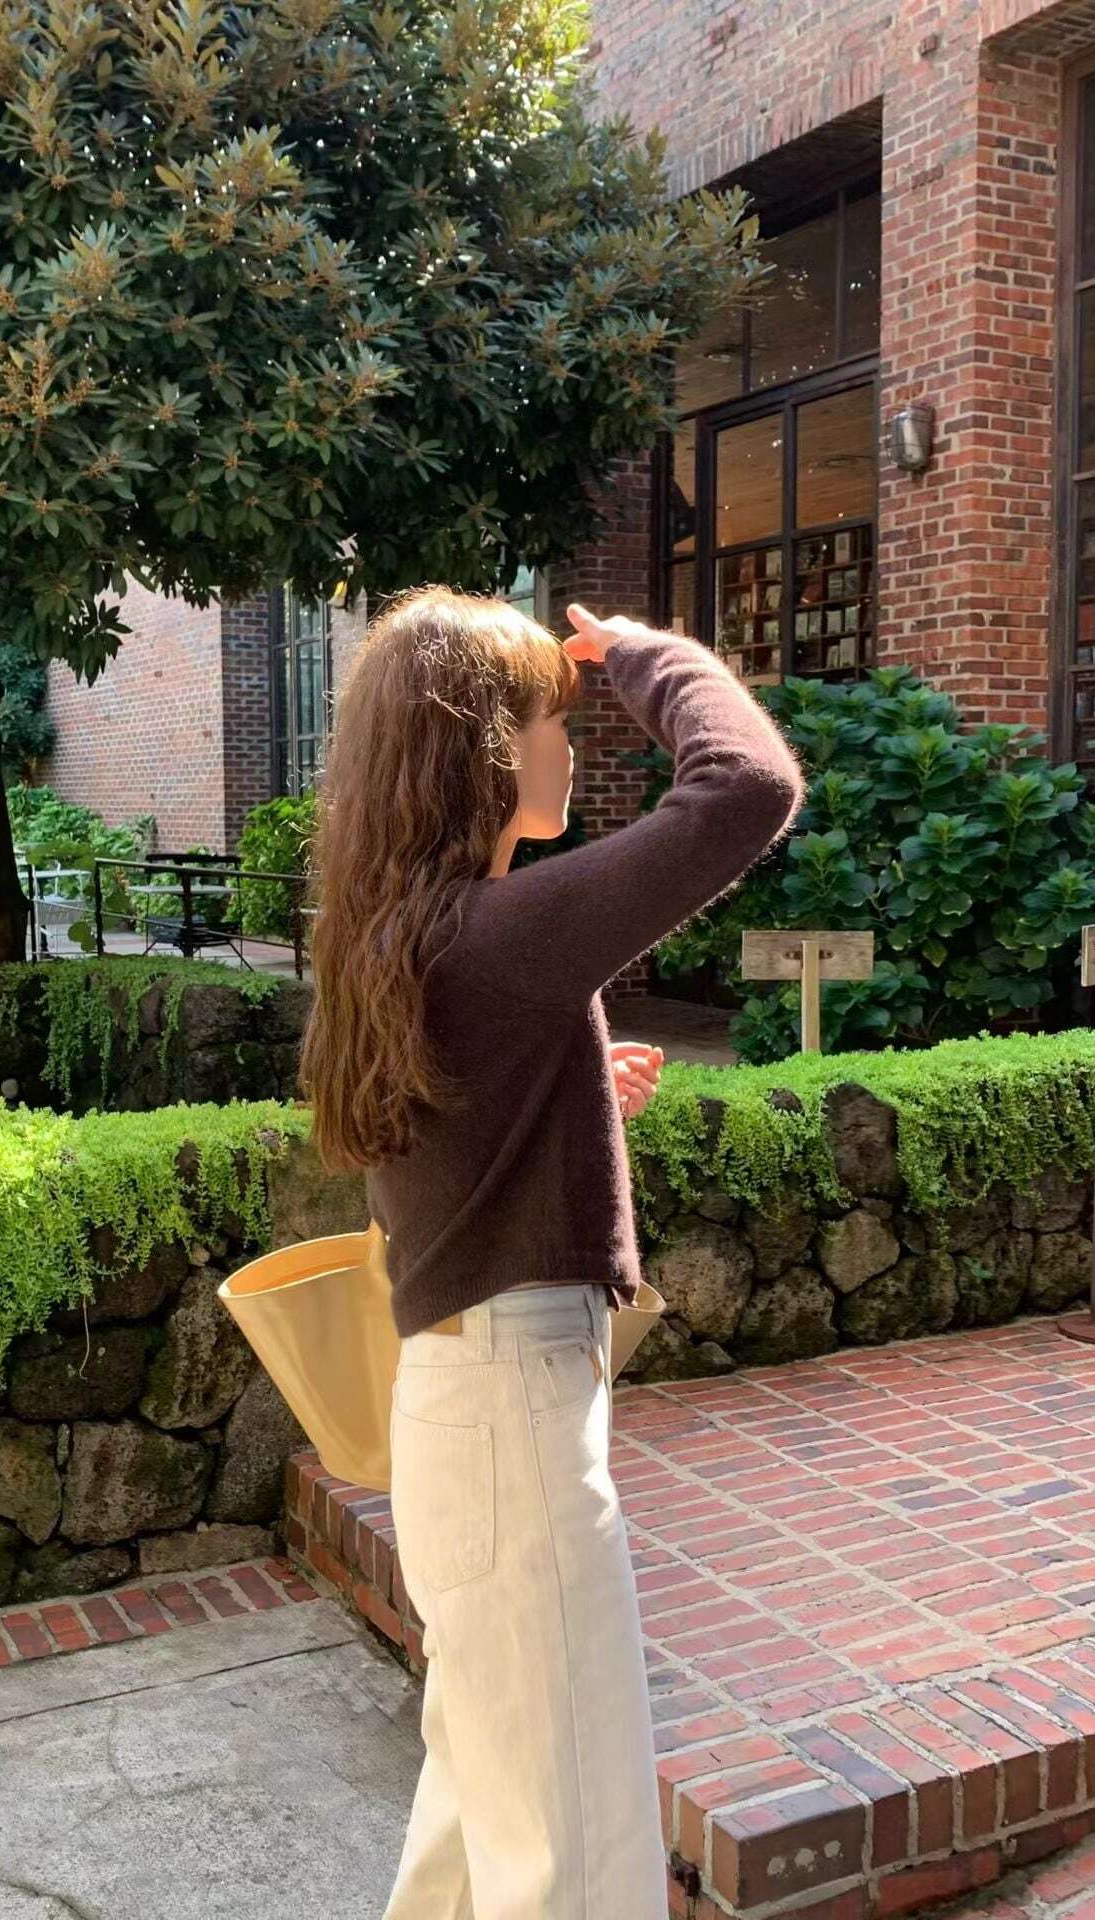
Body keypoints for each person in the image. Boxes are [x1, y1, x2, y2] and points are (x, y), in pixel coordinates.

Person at [299, 589, 803, 1919]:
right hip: (512, 1421)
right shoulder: (498, 937)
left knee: (487, 1815)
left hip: (462, 1411)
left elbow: (452, 1153)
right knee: (570, 1849)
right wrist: (642, 653)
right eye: (545, 718)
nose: (568, 745)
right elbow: (746, 789)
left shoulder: (401, 931)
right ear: (477, 751)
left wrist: (574, 1089)